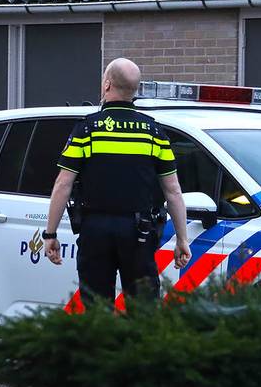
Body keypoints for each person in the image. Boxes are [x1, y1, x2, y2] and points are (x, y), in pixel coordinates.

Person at [43, 58, 192, 305]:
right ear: (134, 90)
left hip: (95, 231)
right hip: (139, 233)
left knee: (97, 311)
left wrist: (50, 233)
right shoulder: (153, 132)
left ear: (107, 85)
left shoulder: (88, 130)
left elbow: (63, 184)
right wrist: (182, 239)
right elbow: (173, 191)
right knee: (143, 312)